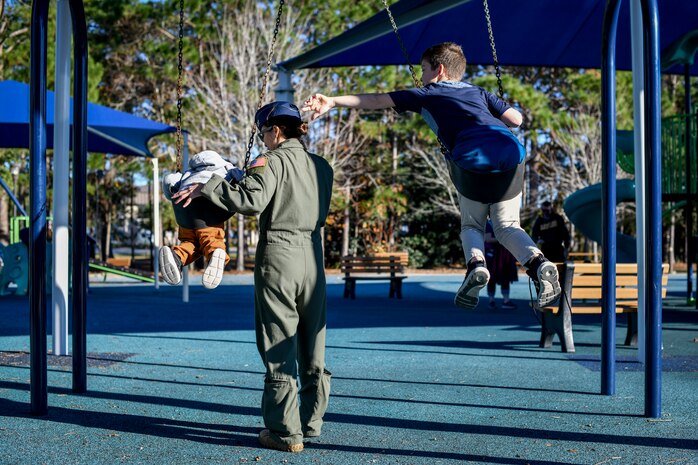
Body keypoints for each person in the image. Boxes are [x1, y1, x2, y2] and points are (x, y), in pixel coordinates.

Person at [303, 41, 561, 310]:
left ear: (438, 70)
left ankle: (477, 265)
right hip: (510, 154)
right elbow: (516, 119)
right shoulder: (479, 92)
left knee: (472, 225)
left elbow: (377, 100)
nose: (421, 75)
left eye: (423, 69)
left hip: (471, 159)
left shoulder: (427, 94)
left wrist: (332, 101)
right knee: (507, 226)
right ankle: (538, 263)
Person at [171, 101, 334, 453]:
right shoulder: (323, 166)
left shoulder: (270, 160)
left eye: (263, 133)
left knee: (278, 340)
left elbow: (253, 200)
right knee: (313, 341)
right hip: (314, 254)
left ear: (275, 130)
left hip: (280, 253)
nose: (263, 139)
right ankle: (311, 421)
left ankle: (284, 432)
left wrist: (209, 186)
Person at [159, 150, 243, 289]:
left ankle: (176, 257)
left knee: (191, 242)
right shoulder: (226, 167)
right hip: (209, 209)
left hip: (184, 211)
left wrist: (172, 193)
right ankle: (215, 252)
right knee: (211, 239)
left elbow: (170, 181)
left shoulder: (188, 172)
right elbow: (241, 178)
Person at [484, 220, 518, 309]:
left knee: (505, 277)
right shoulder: (489, 224)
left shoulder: (506, 223)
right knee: (491, 278)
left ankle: (506, 301)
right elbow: (488, 238)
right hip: (492, 255)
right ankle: (491, 301)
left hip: (504, 255)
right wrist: (503, 239)